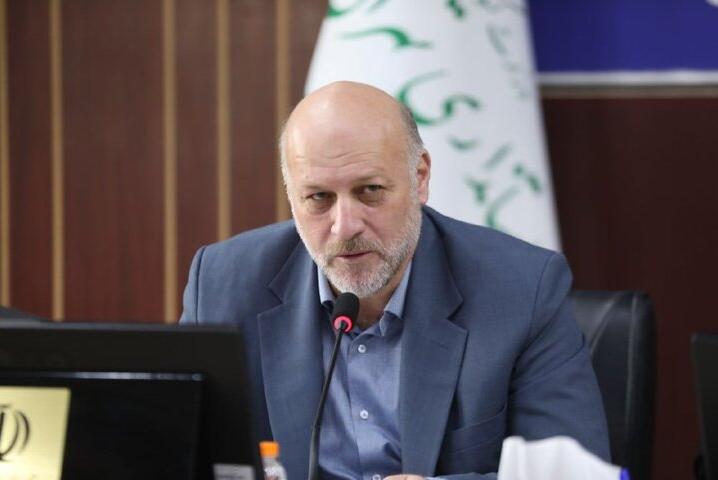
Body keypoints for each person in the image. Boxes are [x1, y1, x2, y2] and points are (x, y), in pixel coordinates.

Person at [180, 81, 609, 480]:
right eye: (319, 198)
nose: (345, 226)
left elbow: (573, 474)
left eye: (369, 191)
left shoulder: (521, 288)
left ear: (419, 177)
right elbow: (176, 458)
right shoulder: (221, 285)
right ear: (291, 197)